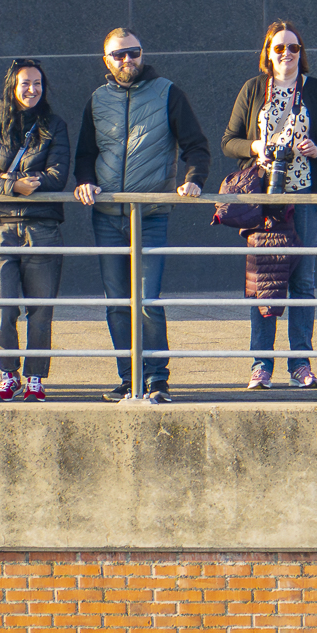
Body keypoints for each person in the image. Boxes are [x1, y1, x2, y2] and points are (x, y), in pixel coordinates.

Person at [72, 29, 209, 398]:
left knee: (147, 300)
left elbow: (196, 146)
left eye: (133, 52)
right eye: (119, 55)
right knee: (118, 303)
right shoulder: (98, 99)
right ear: (106, 60)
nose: (127, 60)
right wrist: (84, 181)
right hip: (107, 216)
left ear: (142, 53)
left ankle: (156, 379)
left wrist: (194, 180)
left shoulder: (168, 92)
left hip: (150, 214)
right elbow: (85, 153)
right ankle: (129, 378)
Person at [223, 20, 317, 389]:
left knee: (302, 280)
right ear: (268, 52)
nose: (287, 54)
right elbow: (229, 141)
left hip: (305, 195)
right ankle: (261, 365)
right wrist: (255, 146)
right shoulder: (253, 89)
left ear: (301, 53)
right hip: (263, 199)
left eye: (293, 48)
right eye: (279, 47)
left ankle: (300, 365)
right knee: (262, 280)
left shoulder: (316, 90)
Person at [0, 58, 72, 401]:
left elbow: (57, 177)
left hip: (43, 226)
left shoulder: (54, 126)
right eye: (25, 83)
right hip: (1, 226)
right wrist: (15, 185)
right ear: (12, 86)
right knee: (1, 307)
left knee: (41, 309)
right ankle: (8, 374)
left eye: (37, 83)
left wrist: (3, 178)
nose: (32, 89)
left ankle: (35, 378)